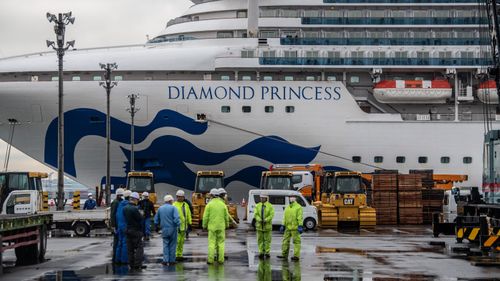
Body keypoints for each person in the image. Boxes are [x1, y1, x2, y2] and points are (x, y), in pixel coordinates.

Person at [202, 188, 229, 264]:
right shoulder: (223, 204)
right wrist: (227, 225)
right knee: (221, 243)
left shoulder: (209, 205)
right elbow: (226, 216)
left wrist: (204, 226)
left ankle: (210, 260)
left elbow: (205, 217)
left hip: (212, 228)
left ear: (212, 195)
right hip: (221, 227)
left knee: (211, 243)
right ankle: (221, 260)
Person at [154, 195, 180, 266]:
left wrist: (156, 226)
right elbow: (176, 218)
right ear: (170, 201)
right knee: (172, 245)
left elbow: (156, 219)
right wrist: (179, 226)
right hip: (173, 228)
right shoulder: (173, 208)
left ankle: (165, 260)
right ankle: (172, 260)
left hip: (164, 229)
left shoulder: (160, 208)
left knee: (165, 244)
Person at [123, 192, 146, 270]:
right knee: (140, 248)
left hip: (128, 229)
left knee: (130, 249)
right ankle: (137, 264)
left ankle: (131, 264)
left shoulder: (125, 208)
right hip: (136, 230)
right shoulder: (135, 209)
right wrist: (142, 214)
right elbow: (140, 219)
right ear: (135, 199)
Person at [278, 195, 303, 261]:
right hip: (288, 228)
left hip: (295, 228)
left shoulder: (298, 207)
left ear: (295, 198)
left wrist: (300, 225)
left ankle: (296, 256)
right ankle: (284, 255)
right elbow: (284, 217)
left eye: (292, 197)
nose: (291, 199)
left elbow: (300, 217)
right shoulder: (288, 207)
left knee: (296, 242)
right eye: (290, 197)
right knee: (285, 241)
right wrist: (283, 225)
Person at [173, 190, 192, 261]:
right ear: (177, 197)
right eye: (179, 197)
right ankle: (175, 255)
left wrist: (190, 223)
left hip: (184, 226)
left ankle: (180, 255)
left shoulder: (185, 205)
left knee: (181, 241)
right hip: (177, 226)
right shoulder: (174, 205)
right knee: (177, 241)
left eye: (181, 197)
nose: (180, 198)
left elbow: (188, 214)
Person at [255, 194, 275, 259]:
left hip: (267, 226)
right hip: (259, 226)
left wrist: (266, 220)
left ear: (266, 198)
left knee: (267, 240)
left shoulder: (270, 206)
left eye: (263, 198)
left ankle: (267, 252)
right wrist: (259, 219)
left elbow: (271, 215)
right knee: (260, 240)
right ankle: (261, 252)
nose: (261, 199)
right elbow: (256, 214)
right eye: (261, 198)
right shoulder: (257, 205)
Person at [115, 190, 131, 264]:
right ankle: (124, 260)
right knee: (125, 243)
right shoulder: (128, 205)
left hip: (119, 226)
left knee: (119, 243)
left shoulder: (120, 204)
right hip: (125, 226)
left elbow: (117, 215)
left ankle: (117, 259)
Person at [110, 188, 125, 263]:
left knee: (119, 241)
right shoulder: (115, 202)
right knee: (116, 241)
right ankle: (115, 257)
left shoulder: (121, 201)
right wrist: (113, 226)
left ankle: (118, 257)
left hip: (119, 224)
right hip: (116, 225)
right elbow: (112, 215)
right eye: (121, 195)